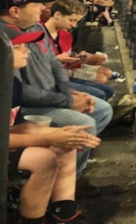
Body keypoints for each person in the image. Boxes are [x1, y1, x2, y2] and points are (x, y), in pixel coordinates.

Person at [4, 0, 110, 184]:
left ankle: (70, 179)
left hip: (49, 98)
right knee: (85, 123)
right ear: (16, 11)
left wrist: (68, 93)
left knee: (102, 108)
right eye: (37, 4)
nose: (44, 8)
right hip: (30, 108)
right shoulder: (6, 38)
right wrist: (67, 101)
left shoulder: (35, 27)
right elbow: (22, 93)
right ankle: (56, 184)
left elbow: (53, 62)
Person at [10, 30, 97, 224]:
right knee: (44, 159)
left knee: (67, 141)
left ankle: (64, 212)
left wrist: (61, 133)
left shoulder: (12, 82)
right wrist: (48, 138)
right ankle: (32, 219)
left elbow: (16, 126)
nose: (27, 52)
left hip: (7, 141)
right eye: (18, 47)